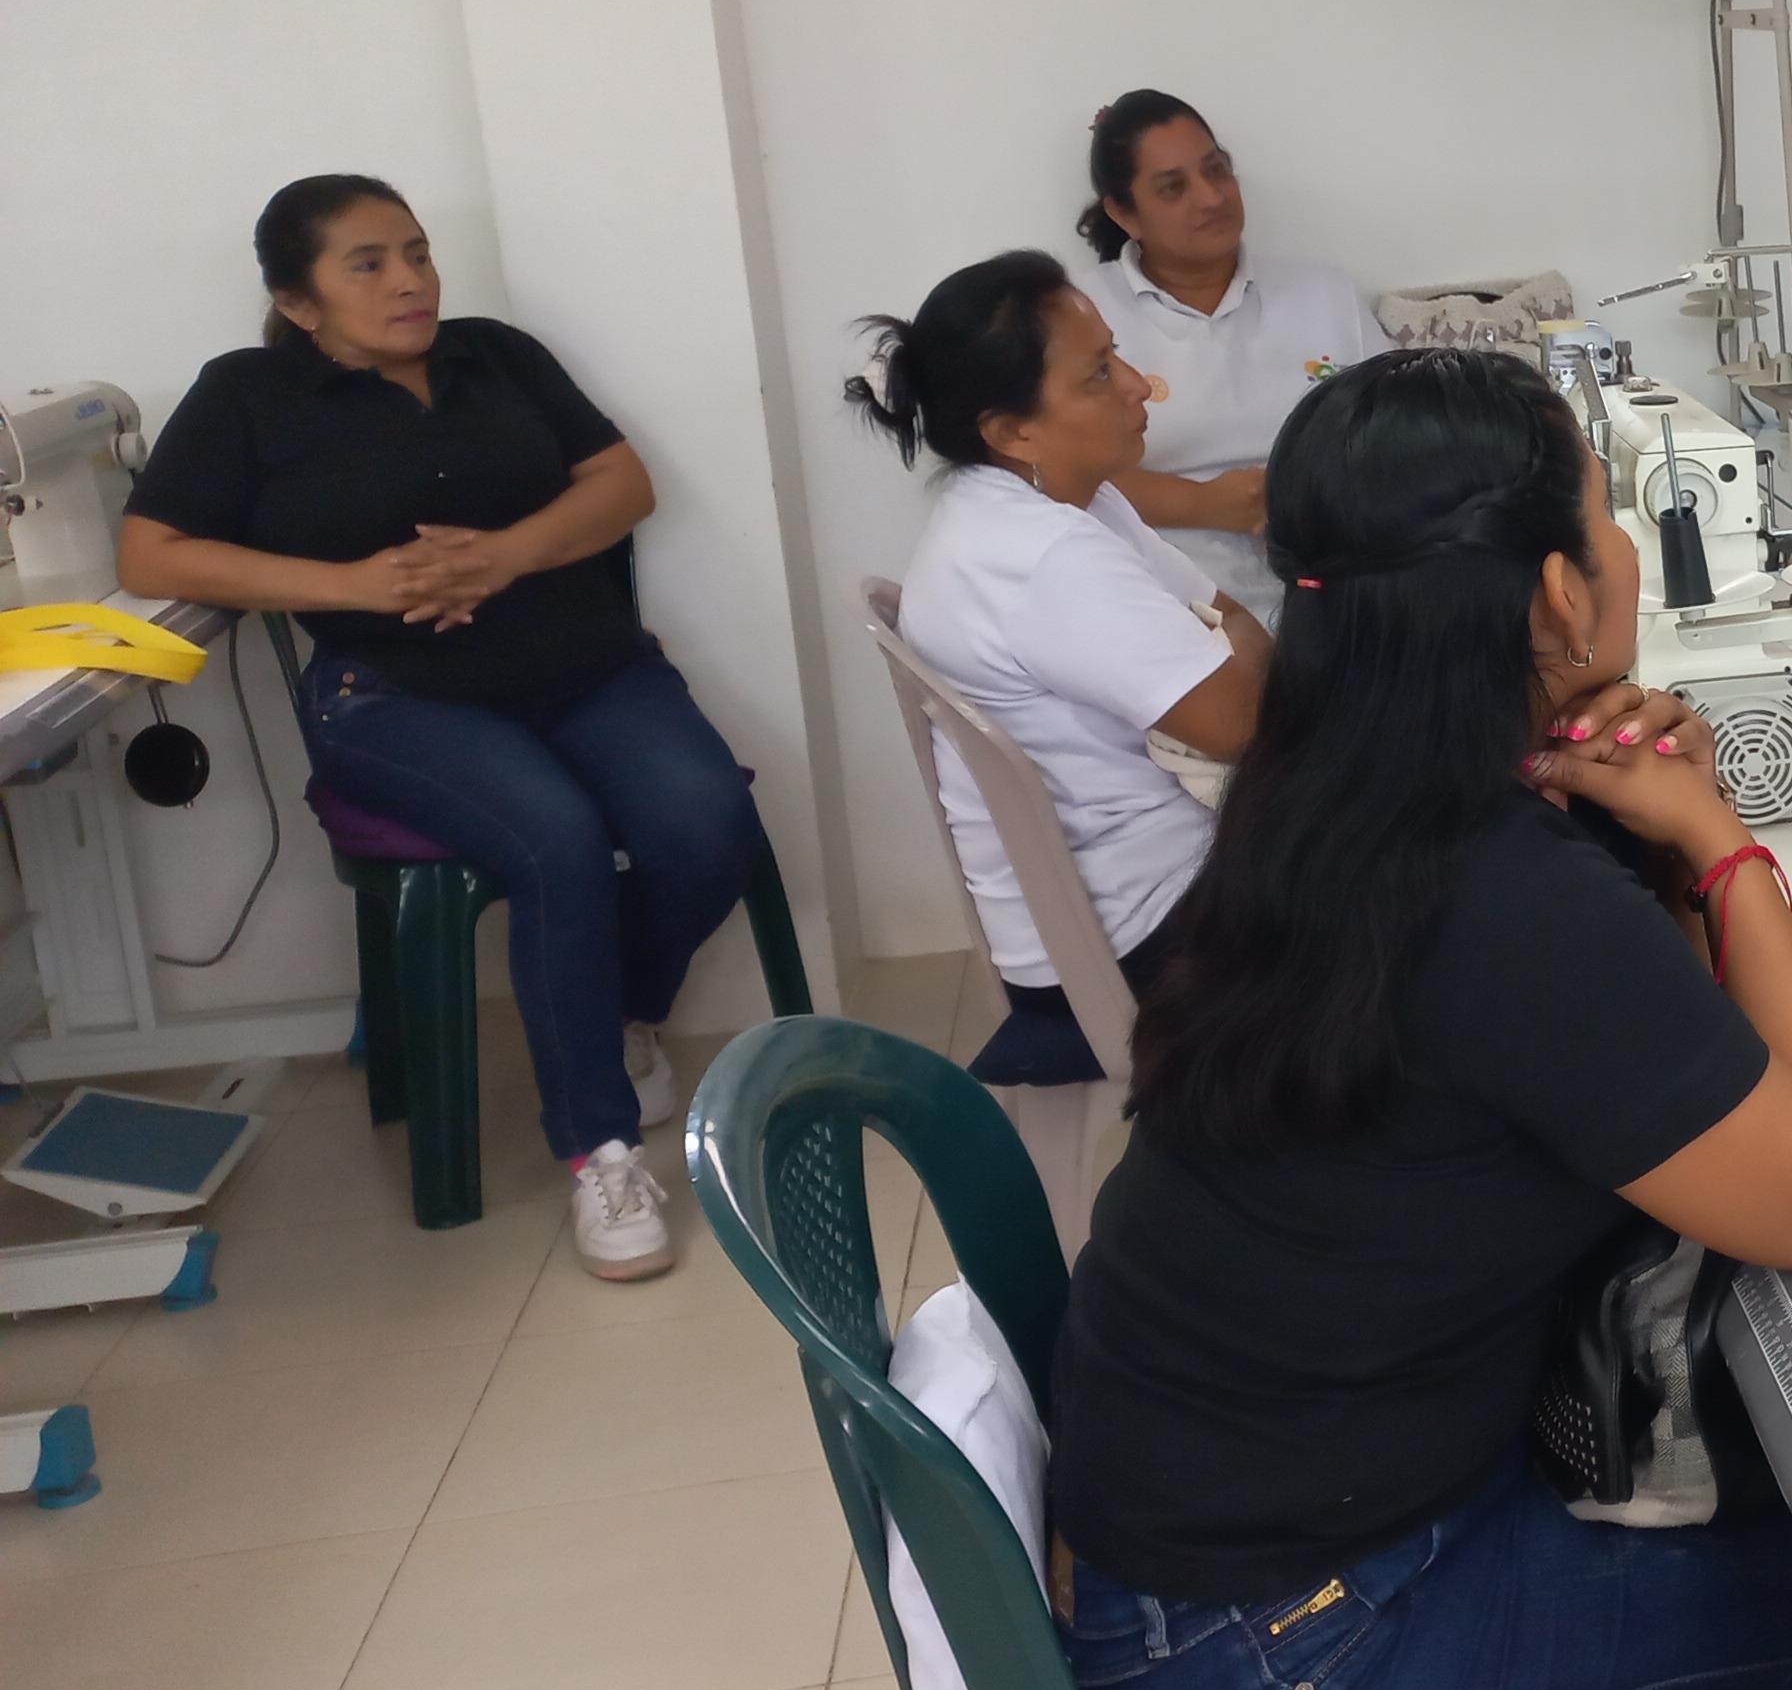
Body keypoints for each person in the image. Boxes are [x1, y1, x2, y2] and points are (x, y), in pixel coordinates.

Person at [1048, 348, 1792, 1690]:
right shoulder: (1503, 899)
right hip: (1296, 1681)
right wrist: (1720, 843)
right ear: (1557, 598)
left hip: (1206, 1595)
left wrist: (1650, 845)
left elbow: (1648, 1055)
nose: (1625, 550)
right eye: (1603, 516)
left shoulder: (1332, 799)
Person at [121, 174, 767, 1281]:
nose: (410, 280)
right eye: (369, 263)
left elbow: (622, 484)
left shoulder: (497, 355)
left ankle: (621, 1012)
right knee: (556, 839)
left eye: (417, 252)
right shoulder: (246, 394)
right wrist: (353, 585)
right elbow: (151, 553)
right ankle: (601, 1155)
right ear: (299, 301)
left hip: (587, 669)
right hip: (393, 694)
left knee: (708, 822)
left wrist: (506, 555)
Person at [853, 251, 1268, 1093]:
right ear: (1012, 432)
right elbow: (1246, 724)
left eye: (1116, 355)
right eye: (1100, 373)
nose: (1141, 386)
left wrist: (1232, 650)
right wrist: (1234, 652)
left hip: (1127, 890)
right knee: (1441, 856)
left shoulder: (1056, 502)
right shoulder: (1042, 556)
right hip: (1135, 934)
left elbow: (1232, 617)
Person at [1069, 90, 1389, 621]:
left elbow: (1400, 430)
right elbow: (1052, 473)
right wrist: (1203, 503)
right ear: (1124, 213)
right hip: (1166, 602)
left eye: (1216, 170)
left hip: (1337, 587)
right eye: (1173, 188)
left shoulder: (1322, 291)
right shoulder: (1082, 315)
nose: (1211, 197)